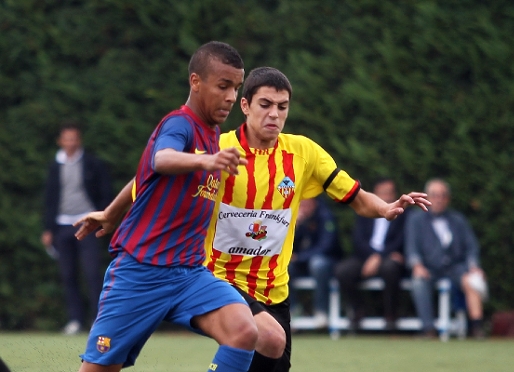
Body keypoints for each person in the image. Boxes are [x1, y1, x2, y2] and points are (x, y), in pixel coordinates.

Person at [76, 67, 431, 372]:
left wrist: (385, 208)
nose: (274, 114)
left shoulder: (303, 153)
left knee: (274, 350)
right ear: (245, 106)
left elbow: (354, 196)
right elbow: (151, 175)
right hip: (218, 281)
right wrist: (111, 213)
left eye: (282, 107)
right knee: (268, 338)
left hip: (274, 290)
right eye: (265, 105)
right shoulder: (219, 149)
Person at [73, 41, 258, 372]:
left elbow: (142, 173)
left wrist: (111, 213)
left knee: (243, 330)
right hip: (141, 272)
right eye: (223, 86)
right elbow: (160, 159)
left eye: (236, 87)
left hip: (188, 274)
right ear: (195, 82)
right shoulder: (180, 124)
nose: (231, 96)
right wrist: (209, 161)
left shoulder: (211, 133)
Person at [41, 122, 113, 335]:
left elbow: (105, 192)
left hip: (87, 224)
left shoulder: (92, 163)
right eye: (67, 138)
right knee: (68, 274)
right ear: (60, 141)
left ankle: (97, 319)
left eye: (74, 138)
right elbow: (50, 199)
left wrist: (102, 217)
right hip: (62, 225)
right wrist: (48, 229)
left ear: (79, 140)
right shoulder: (55, 165)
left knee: (92, 273)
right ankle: (74, 320)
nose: (70, 142)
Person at [405, 178, 486, 339]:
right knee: (418, 282)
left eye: (443, 195)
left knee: (473, 279)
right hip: (429, 267)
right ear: (427, 198)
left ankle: (476, 327)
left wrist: (473, 265)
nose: (439, 199)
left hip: (456, 267)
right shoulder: (415, 220)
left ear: (448, 198)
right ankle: (428, 329)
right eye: (435, 195)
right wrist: (417, 265)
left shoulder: (458, 220)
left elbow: (471, 247)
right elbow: (411, 248)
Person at [334, 177, 406, 332]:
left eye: (389, 193)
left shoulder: (403, 215)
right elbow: (358, 240)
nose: (386, 197)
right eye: (382, 193)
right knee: (343, 271)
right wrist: (372, 256)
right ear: (375, 194)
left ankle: (391, 317)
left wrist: (379, 256)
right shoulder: (365, 211)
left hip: (388, 257)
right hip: (365, 257)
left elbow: (401, 240)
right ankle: (358, 310)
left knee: (391, 268)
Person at [288, 196, 342, 328]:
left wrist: (300, 257)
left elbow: (326, 246)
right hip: (302, 262)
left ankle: (321, 311)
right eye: (301, 204)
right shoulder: (296, 218)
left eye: (307, 204)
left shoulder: (326, 217)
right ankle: (291, 309)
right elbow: (286, 245)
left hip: (327, 262)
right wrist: (295, 227)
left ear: (315, 203)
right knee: (285, 265)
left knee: (318, 264)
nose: (304, 208)